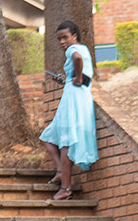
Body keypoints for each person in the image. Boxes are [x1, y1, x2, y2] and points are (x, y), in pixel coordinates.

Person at [40, 19, 98, 201]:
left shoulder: (74, 50)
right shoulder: (84, 49)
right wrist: (69, 79)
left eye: (65, 37)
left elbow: (77, 60)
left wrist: (78, 78)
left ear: (74, 35)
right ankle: (60, 171)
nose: (62, 42)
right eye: (59, 39)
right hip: (80, 96)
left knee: (65, 141)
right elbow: (79, 68)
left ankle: (65, 188)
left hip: (73, 99)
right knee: (49, 137)